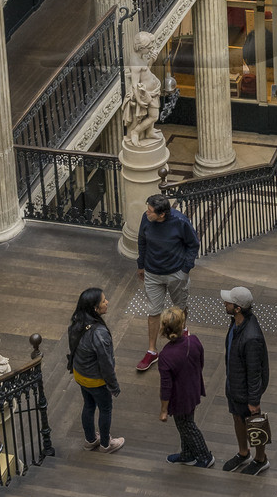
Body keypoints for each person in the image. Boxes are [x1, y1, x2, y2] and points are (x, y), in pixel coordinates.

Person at [135, 191, 199, 373]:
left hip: (176, 273)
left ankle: (182, 336)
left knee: (180, 308)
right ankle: (152, 350)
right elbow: (142, 241)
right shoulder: (146, 219)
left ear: (162, 214)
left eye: (150, 211)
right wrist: (141, 265)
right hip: (152, 273)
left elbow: (193, 244)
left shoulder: (180, 222)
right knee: (154, 311)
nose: (147, 213)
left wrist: (185, 269)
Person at [66, 284, 123, 452]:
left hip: (80, 374)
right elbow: (106, 363)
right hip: (96, 380)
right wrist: (113, 386)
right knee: (105, 409)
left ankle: (90, 440)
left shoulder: (77, 322)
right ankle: (106, 444)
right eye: (104, 301)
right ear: (95, 308)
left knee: (89, 405)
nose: (107, 302)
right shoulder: (99, 333)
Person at [220, 284, 270, 474]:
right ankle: (243, 453)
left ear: (238, 308)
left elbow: (255, 371)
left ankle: (261, 459)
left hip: (245, 390)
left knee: (255, 424)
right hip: (234, 385)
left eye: (228, 302)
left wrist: (254, 401)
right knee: (237, 418)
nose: (225, 303)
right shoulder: (236, 323)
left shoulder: (251, 338)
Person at [157, 305, 213, 467]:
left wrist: (163, 410)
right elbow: (201, 363)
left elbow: (166, 386)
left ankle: (205, 456)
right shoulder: (194, 341)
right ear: (182, 325)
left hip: (180, 398)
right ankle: (187, 454)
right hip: (194, 389)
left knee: (187, 426)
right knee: (186, 423)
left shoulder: (166, 355)